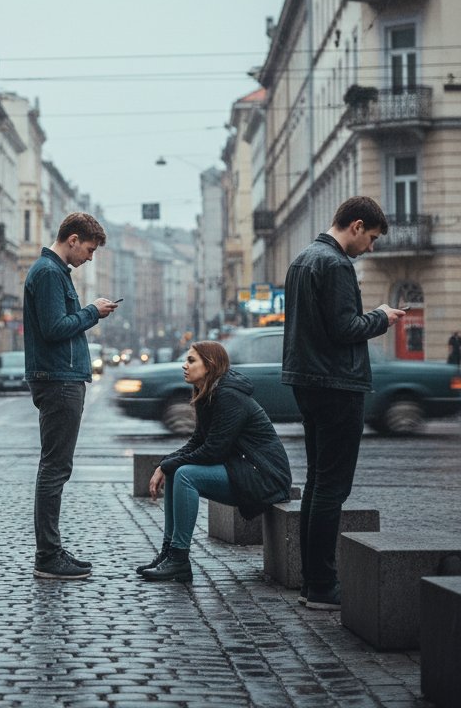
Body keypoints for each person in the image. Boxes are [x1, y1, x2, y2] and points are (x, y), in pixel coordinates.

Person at [281, 196, 406, 610]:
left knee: (318, 482)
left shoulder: (302, 259)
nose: (370, 247)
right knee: (332, 487)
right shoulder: (335, 264)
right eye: (370, 238)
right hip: (336, 384)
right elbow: (344, 327)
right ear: (355, 226)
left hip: (308, 381)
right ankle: (321, 585)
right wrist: (381, 317)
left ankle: (311, 581)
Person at [140, 342, 292, 582]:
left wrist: (169, 465)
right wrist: (165, 463)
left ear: (209, 365)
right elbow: (197, 441)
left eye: (191, 361)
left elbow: (213, 451)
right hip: (242, 468)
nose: (184, 365)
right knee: (176, 470)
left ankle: (179, 559)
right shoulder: (208, 394)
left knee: (184, 474)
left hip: (264, 475)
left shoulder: (228, 396)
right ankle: (170, 553)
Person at [24, 212, 118, 580]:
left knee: (55, 467)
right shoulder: (48, 273)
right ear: (73, 239)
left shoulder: (53, 272)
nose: (90, 258)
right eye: (90, 250)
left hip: (61, 377)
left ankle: (51, 550)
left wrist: (87, 312)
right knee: (55, 467)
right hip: (58, 380)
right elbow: (54, 328)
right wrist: (92, 312)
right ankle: (47, 556)